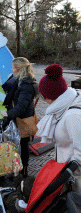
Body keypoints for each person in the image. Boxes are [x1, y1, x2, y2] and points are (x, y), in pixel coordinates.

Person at [37, 63, 81, 193]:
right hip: (66, 173)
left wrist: (66, 173)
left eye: (44, 97)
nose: (45, 100)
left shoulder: (72, 116)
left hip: (75, 182)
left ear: (50, 97)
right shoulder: (68, 102)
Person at [1, 57, 38, 178]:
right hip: (18, 117)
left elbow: (21, 106)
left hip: (23, 119)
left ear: (19, 70)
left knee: (23, 144)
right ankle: (17, 168)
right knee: (18, 143)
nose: (11, 69)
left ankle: (23, 171)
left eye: (13, 68)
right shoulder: (17, 80)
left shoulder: (26, 85)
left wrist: (8, 114)